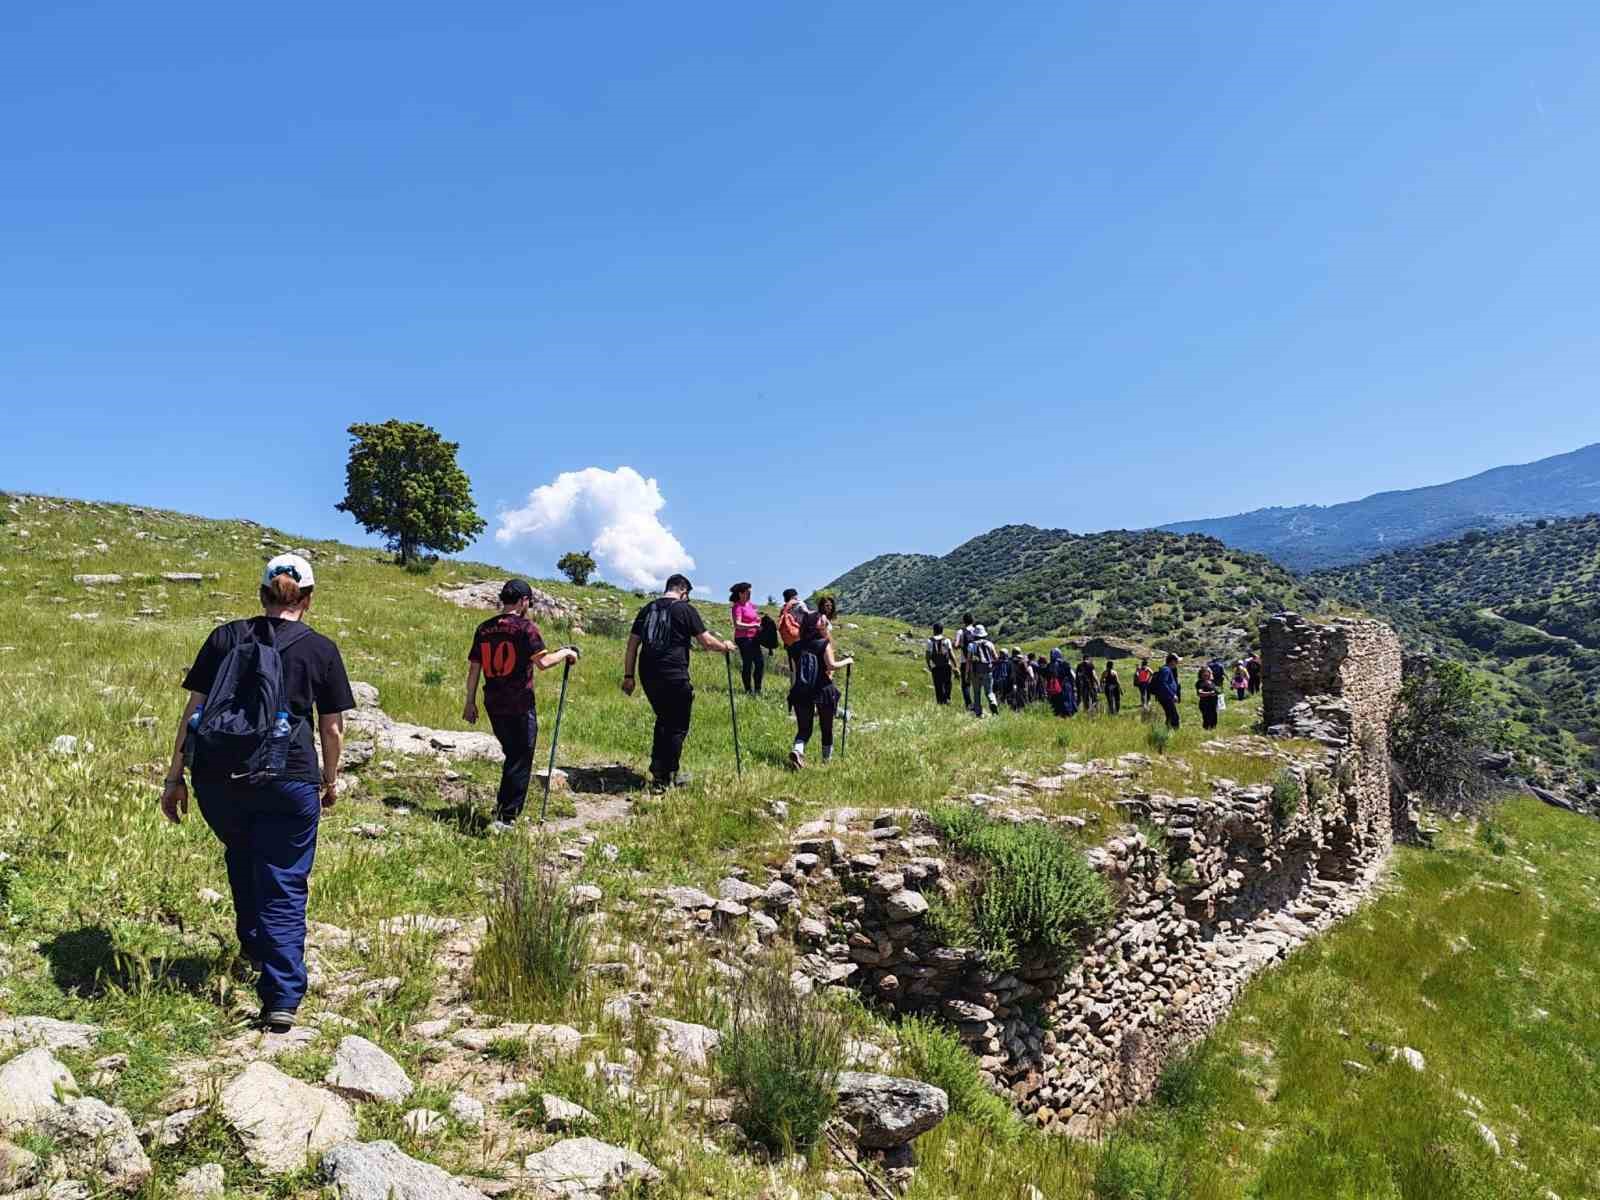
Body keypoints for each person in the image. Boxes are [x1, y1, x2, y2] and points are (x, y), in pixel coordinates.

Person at [160, 554, 354, 1033]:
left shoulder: (225, 637)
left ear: (262, 594)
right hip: (289, 778)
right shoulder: (320, 649)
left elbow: (194, 710)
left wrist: (174, 775)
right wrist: (331, 780)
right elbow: (331, 728)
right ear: (308, 598)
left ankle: (252, 943)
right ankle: (282, 995)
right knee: (283, 878)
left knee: (243, 853)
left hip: (218, 778)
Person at [462, 580, 581, 830]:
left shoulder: (484, 629)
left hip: (493, 701)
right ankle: (506, 818)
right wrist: (566, 652)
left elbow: (475, 668)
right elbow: (544, 662)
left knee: (512, 754)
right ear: (524, 601)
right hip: (518, 702)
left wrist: (470, 702)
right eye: (529, 602)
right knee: (520, 757)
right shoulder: (525, 628)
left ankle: (503, 808)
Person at [622, 574, 736, 789]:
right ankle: (668, 776)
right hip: (674, 673)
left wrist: (629, 676)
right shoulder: (685, 609)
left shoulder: (647, 609)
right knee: (677, 725)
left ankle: (658, 771)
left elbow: (631, 645)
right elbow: (706, 641)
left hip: (648, 674)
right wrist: (725, 646)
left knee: (664, 719)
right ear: (683, 591)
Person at [787, 610, 854, 768]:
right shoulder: (823, 643)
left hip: (801, 690)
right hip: (823, 689)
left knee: (804, 729)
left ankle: (798, 751)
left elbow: (795, 670)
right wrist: (847, 661)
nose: (825, 622)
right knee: (826, 727)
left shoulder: (796, 646)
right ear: (816, 625)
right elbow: (831, 665)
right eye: (822, 621)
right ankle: (826, 762)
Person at [729, 582, 764, 695]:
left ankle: (758, 689)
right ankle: (748, 690)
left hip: (754, 638)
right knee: (748, 663)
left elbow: (755, 618)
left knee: (760, 663)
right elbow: (737, 624)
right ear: (740, 593)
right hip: (743, 639)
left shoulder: (751, 605)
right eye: (748, 593)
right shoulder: (737, 607)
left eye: (750, 593)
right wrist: (753, 625)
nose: (750, 595)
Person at [966, 622, 999, 717]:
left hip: (975, 672)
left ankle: (978, 712)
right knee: (989, 692)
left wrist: (967, 673)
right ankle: (993, 703)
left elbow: (969, 660)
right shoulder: (990, 644)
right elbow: (995, 657)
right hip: (988, 671)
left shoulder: (971, 645)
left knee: (976, 693)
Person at [925, 623, 955, 705]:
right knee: (947, 683)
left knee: (938, 685)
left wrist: (929, 665)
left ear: (934, 630)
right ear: (942, 630)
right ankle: (947, 698)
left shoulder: (929, 641)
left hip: (936, 666)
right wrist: (955, 664)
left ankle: (940, 702)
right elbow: (951, 653)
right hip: (946, 665)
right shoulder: (946, 640)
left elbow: (927, 655)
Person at [1151, 653, 1182, 729]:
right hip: (1166, 697)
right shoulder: (1166, 670)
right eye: (1177, 661)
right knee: (1174, 717)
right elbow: (1163, 683)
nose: (1178, 663)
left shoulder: (1167, 669)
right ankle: (1174, 732)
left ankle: (1168, 731)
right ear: (1172, 661)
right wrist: (1172, 695)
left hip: (1166, 697)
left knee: (1170, 716)